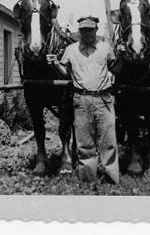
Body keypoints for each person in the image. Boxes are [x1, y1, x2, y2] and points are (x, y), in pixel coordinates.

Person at [47, 16, 124, 184]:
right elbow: (66, 73)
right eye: (83, 30)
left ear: (96, 30)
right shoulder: (71, 50)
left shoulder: (106, 48)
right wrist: (54, 65)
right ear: (79, 32)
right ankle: (88, 180)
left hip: (104, 100)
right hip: (81, 100)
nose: (87, 33)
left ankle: (111, 179)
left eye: (90, 30)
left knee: (108, 141)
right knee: (84, 143)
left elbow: (115, 69)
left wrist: (122, 58)